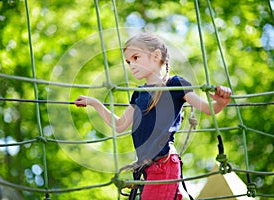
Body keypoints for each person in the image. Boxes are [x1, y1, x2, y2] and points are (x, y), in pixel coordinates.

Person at [74, 32, 231, 200]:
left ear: (156, 55)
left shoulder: (175, 84)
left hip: (164, 164)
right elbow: (119, 125)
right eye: (128, 62)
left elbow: (207, 109)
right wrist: (95, 103)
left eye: (136, 57)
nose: (132, 65)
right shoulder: (139, 93)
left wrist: (221, 102)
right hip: (148, 169)